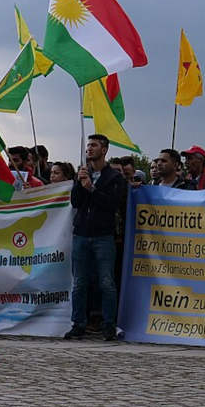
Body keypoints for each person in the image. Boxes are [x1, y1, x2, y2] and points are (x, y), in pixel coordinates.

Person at [66, 133, 126, 341]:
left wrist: (92, 188)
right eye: (88, 145)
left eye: (94, 145)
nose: (89, 149)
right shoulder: (83, 173)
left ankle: (108, 324)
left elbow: (111, 204)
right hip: (81, 234)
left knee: (106, 282)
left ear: (105, 150)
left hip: (103, 235)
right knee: (79, 282)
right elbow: (75, 202)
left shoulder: (115, 178)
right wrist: (81, 183)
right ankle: (78, 323)